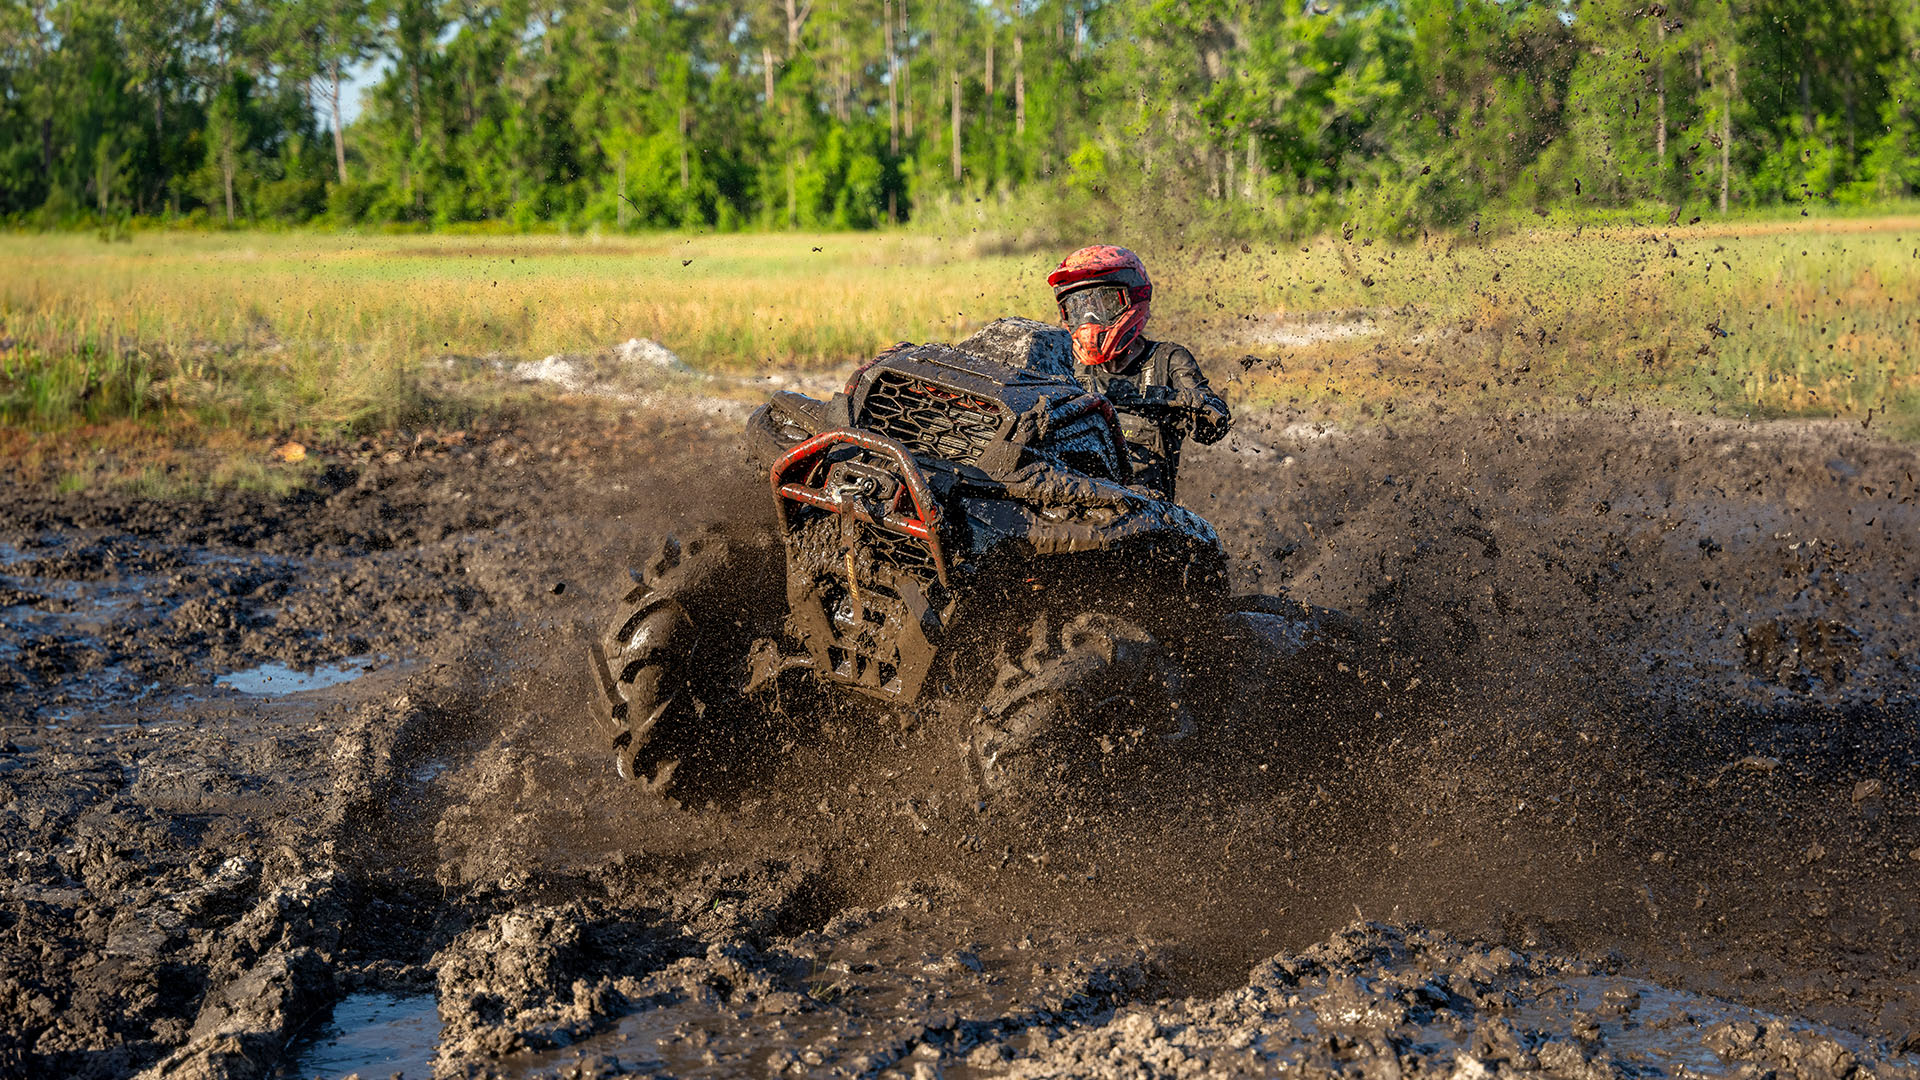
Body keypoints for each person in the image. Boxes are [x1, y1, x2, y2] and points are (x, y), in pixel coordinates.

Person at [1047, 245, 1231, 502]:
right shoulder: (1065, 363)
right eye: (1078, 308)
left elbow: (1209, 430)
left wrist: (1198, 405)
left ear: (1133, 298)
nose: (1089, 318)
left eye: (1104, 304)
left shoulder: (1166, 360)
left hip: (1145, 511)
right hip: (1074, 505)